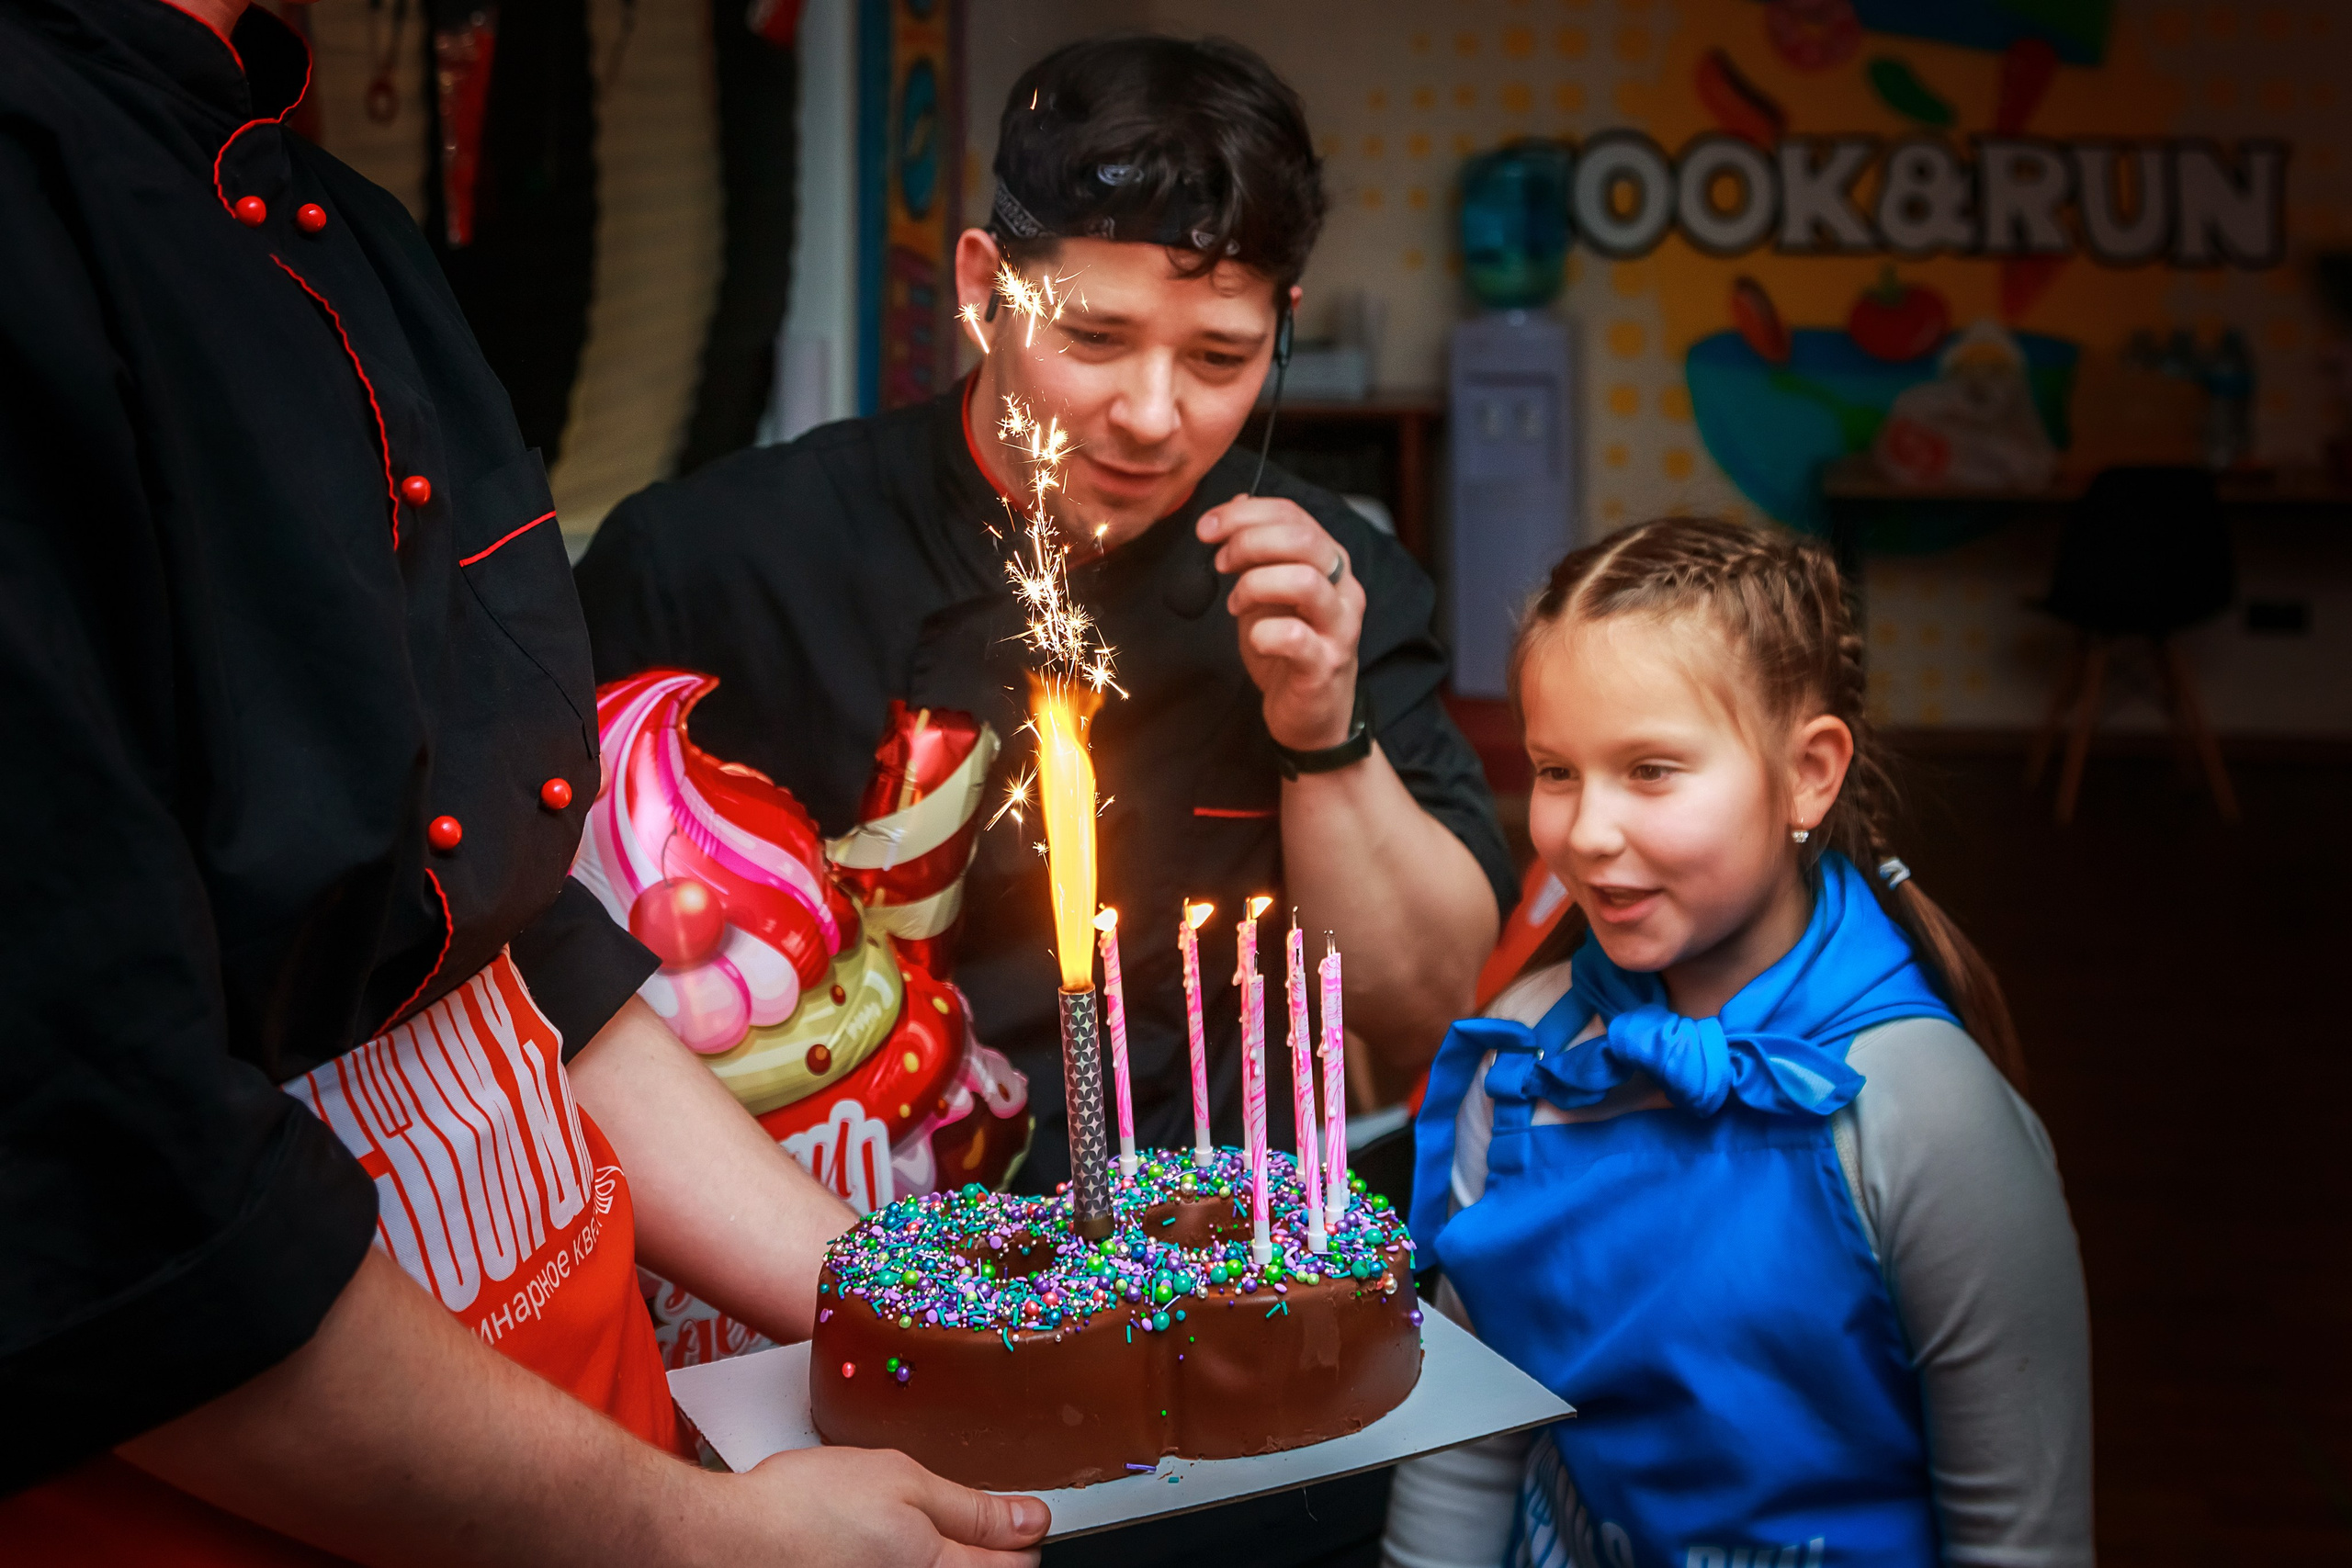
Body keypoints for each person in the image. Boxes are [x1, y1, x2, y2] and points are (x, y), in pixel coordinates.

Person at [0, 1, 1046, 1562]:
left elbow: (504, 929)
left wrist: (889, 1289)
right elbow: (86, 1167)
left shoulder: (321, 212)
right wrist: (700, 1539)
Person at [573, 35, 1516, 1190]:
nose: (1152, 415)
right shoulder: (710, 561)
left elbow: (1427, 1006)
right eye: (1093, 337)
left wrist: (1322, 729)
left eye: (1222, 358)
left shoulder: (1327, 579)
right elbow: (554, 988)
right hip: (794, 1241)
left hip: (1192, 1248)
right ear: (983, 288)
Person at [1382, 519, 2092, 1568]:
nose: (1586, 833)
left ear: (1808, 773)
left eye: (1652, 770)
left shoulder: (1926, 1113)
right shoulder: (1521, 1061)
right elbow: (1463, 1445)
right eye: (1555, 770)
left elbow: (2019, 1537)